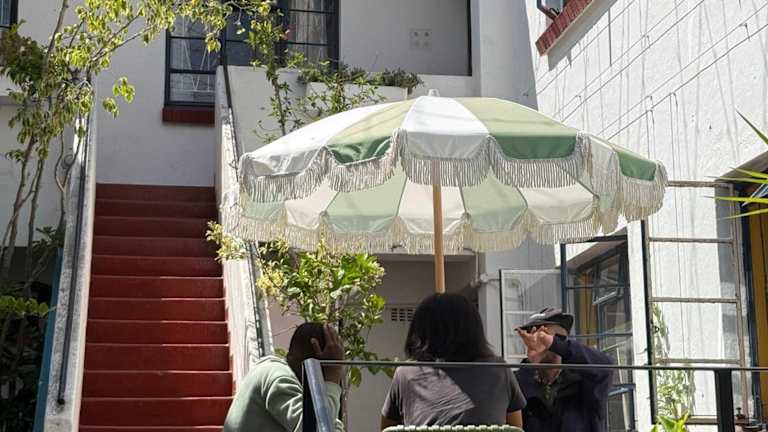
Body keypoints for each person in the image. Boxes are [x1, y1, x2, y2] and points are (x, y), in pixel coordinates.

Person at [380, 293, 526, 430]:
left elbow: (387, 429)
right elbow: (516, 428)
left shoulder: (406, 374)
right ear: (474, 331)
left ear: (420, 331)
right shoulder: (498, 371)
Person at [223, 323, 345, 432]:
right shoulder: (277, 377)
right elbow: (317, 427)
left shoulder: (280, 375)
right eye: (323, 370)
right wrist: (333, 373)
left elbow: (328, 423)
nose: (323, 379)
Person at [514, 308, 615, 432]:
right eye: (531, 334)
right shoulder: (520, 383)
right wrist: (531, 363)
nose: (535, 341)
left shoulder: (583, 382)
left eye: (543, 334)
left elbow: (606, 366)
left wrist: (554, 344)